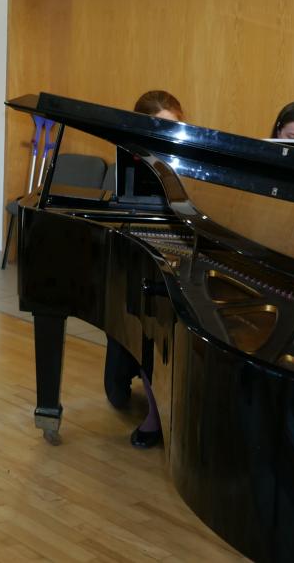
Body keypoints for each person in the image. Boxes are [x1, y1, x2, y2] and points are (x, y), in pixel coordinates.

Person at [104, 89, 184, 449]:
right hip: (138, 251)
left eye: (171, 128)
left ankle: (159, 412)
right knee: (116, 393)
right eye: (156, 129)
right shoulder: (129, 160)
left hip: (178, 249)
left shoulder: (188, 161)